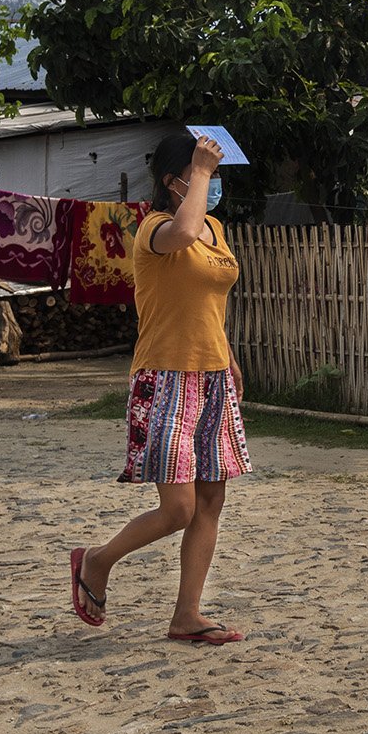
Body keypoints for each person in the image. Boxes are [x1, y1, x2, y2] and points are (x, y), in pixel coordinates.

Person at [71, 129, 252, 645]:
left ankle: (187, 616)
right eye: (205, 176)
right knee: (179, 508)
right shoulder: (156, 228)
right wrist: (199, 169)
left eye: (214, 176)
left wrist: (229, 358)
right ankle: (96, 561)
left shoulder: (214, 228)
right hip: (165, 378)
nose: (214, 185)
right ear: (175, 181)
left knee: (211, 500)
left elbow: (207, 302)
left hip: (212, 375)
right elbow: (183, 235)